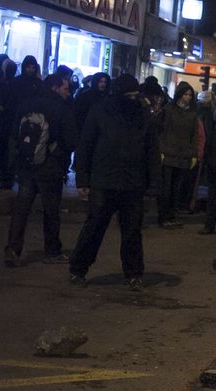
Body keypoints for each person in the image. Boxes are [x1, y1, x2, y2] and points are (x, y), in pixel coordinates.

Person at [68, 74, 160, 290]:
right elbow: (86, 146)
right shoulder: (100, 112)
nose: (133, 99)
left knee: (131, 233)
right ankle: (78, 269)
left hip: (132, 183)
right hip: (104, 181)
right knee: (94, 228)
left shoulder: (143, 116)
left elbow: (152, 151)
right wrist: (82, 178)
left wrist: (154, 182)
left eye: (135, 95)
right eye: (129, 95)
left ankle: (134, 273)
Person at [4, 74, 77, 267]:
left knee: (21, 209)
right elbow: (71, 140)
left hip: (27, 166)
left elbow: (14, 134)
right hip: (50, 168)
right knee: (51, 211)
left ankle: (12, 249)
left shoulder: (26, 104)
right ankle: (52, 251)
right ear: (55, 88)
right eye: (65, 88)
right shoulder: (61, 109)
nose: (67, 92)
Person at [155, 81, 198, 227]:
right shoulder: (169, 110)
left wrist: (193, 154)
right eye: (186, 94)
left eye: (190, 95)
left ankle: (171, 215)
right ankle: (163, 216)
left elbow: (194, 135)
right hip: (169, 153)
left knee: (176, 188)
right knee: (166, 188)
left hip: (183, 155)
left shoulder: (192, 114)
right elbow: (161, 132)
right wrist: (161, 150)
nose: (188, 97)